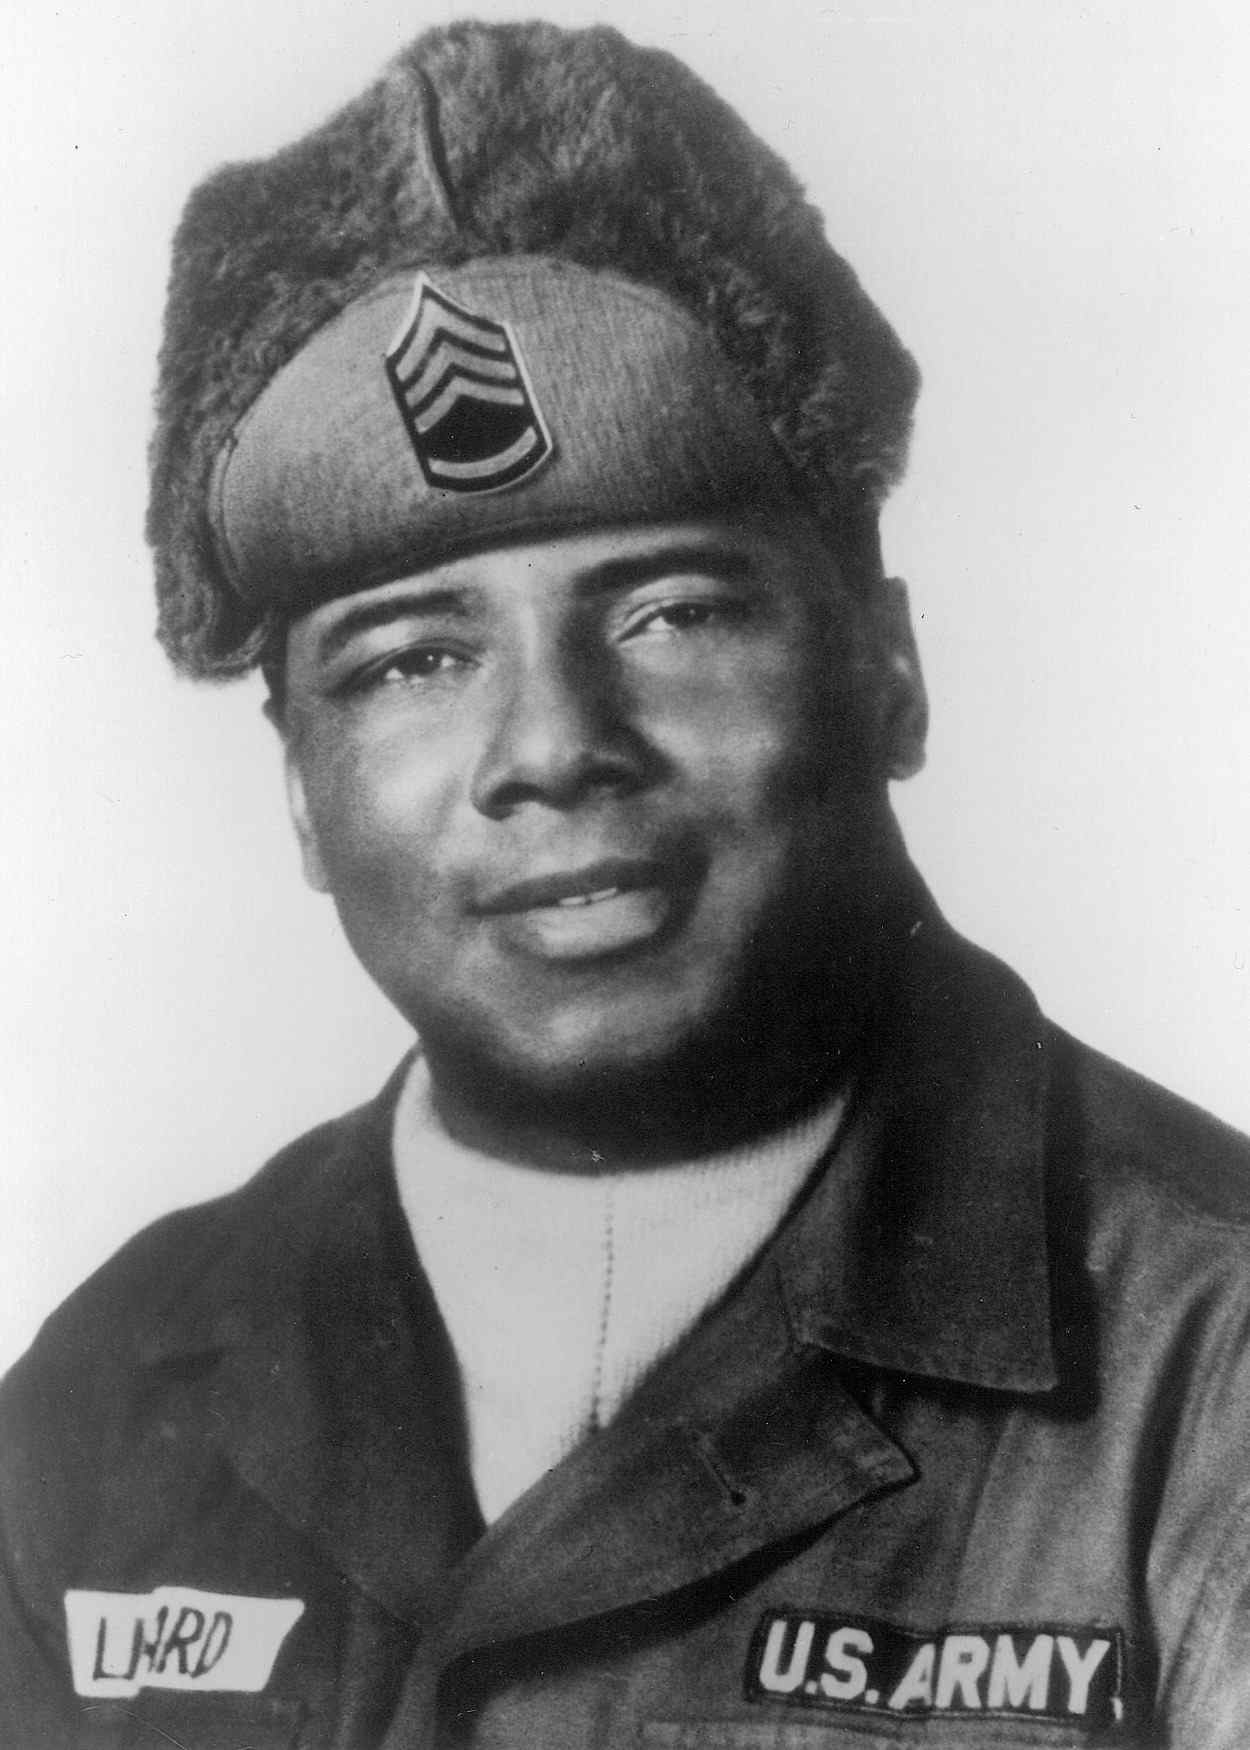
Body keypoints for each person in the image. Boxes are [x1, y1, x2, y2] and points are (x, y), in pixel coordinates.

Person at [2, 18, 1249, 1748]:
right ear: (297, 787)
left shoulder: (1212, 1358)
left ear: (888, 671)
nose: (553, 745)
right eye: (411, 659)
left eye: (671, 611)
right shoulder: (110, 1383)